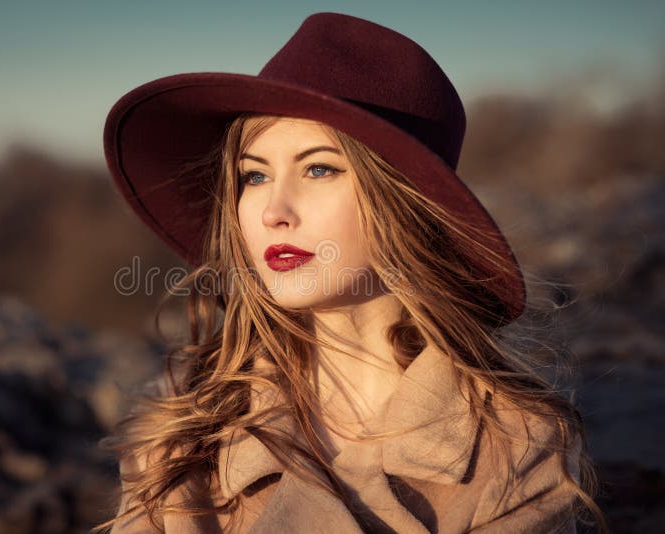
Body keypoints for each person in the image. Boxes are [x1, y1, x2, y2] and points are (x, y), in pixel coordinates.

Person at [95, 12, 606, 534]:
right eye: (253, 175)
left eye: (319, 168)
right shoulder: (186, 432)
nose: (274, 210)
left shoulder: (514, 447)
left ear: (405, 204)